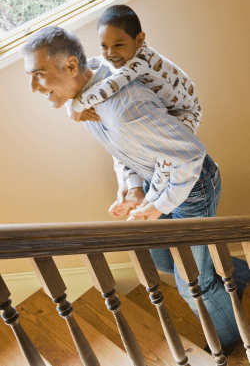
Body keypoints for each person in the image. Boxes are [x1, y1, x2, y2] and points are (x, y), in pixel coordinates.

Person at [21, 25, 250, 351]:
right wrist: (133, 190)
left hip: (191, 184)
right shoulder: (87, 97)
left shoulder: (125, 109)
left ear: (71, 66)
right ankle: (238, 276)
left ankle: (234, 344)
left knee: (192, 282)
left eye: (38, 74)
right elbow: (125, 149)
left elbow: (190, 155)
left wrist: (158, 206)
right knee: (163, 260)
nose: (33, 86)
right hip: (158, 179)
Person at [66, 4, 202, 210]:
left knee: (168, 158)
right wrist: (69, 99)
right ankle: (139, 194)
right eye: (104, 46)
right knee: (128, 141)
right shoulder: (120, 60)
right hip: (163, 113)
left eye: (118, 45)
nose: (110, 53)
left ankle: (151, 200)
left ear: (139, 40)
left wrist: (75, 107)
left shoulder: (141, 60)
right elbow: (91, 66)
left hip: (184, 113)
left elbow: (111, 85)